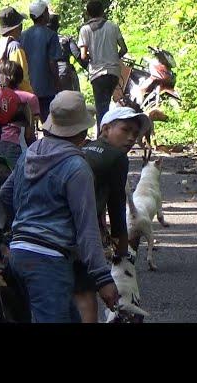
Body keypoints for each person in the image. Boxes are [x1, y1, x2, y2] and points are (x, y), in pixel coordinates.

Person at [0, 91, 118, 323]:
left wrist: (25, 225)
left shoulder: (29, 154)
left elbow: (5, 194)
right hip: (49, 262)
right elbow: (87, 229)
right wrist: (103, 279)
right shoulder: (77, 167)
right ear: (83, 132)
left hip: (18, 255)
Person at [75, 106, 151, 322]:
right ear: (105, 129)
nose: (130, 138)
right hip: (77, 235)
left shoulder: (84, 147)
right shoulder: (117, 157)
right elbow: (117, 208)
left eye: (135, 135)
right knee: (85, 292)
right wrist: (121, 251)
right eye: (125, 130)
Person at [78, 0, 128, 134]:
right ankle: (108, 134)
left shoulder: (85, 30)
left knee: (101, 107)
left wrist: (93, 58)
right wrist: (114, 58)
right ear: (102, 11)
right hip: (113, 72)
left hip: (97, 73)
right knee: (106, 104)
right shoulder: (113, 26)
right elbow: (124, 49)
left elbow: (83, 56)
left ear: (88, 13)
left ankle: (102, 137)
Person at [20, 0, 61, 123]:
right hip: (46, 87)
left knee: (29, 122)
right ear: (43, 15)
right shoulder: (51, 35)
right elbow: (52, 62)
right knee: (48, 121)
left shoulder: (23, 35)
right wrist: (58, 83)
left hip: (27, 86)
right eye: (47, 11)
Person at [0, 7, 34, 94]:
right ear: (17, 27)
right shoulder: (15, 47)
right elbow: (21, 77)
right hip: (13, 96)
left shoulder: (0, 44)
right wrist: (30, 95)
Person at [47, 13, 81, 92]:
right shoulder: (66, 39)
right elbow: (78, 55)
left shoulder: (42, 41)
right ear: (58, 26)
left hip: (48, 75)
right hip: (65, 73)